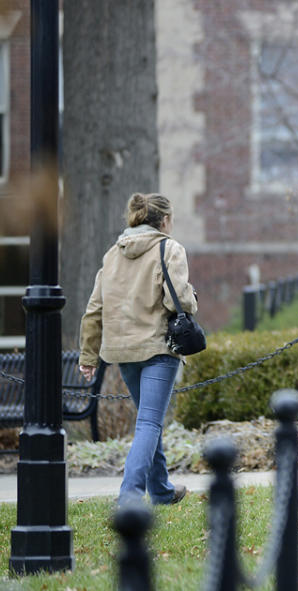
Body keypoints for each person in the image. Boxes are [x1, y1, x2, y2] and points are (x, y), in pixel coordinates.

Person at [79, 193, 198, 505]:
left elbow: (94, 310)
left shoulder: (111, 255)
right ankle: (129, 497)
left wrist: (88, 355)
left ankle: (160, 490)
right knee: (148, 422)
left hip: (121, 351)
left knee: (149, 419)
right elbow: (178, 301)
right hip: (158, 347)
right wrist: (192, 299)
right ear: (165, 220)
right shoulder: (169, 248)